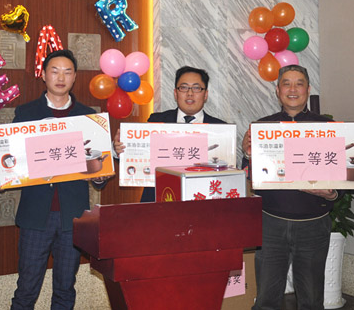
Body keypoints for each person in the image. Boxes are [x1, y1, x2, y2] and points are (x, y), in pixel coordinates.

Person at [11, 49, 103, 310]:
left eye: (67, 72)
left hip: (72, 217)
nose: (61, 78)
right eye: (54, 71)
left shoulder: (89, 117)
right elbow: (13, 161)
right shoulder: (26, 113)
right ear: (43, 75)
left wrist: (101, 176)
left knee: (65, 288)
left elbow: (97, 173)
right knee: (26, 289)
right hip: (35, 216)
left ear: (74, 77)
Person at [242, 64, 337, 310]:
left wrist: (333, 193)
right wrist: (248, 154)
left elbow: (340, 175)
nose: (292, 89)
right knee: (266, 299)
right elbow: (250, 176)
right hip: (270, 224)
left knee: (311, 300)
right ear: (278, 90)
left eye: (299, 83)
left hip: (314, 225)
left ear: (308, 89)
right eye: (286, 83)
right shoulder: (263, 127)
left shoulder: (327, 127)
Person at [114, 66, 226, 201]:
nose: (190, 93)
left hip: (203, 200)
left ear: (205, 94)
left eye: (196, 88)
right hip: (159, 199)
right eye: (184, 88)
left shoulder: (220, 129)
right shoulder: (156, 121)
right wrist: (119, 149)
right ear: (175, 93)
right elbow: (138, 156)